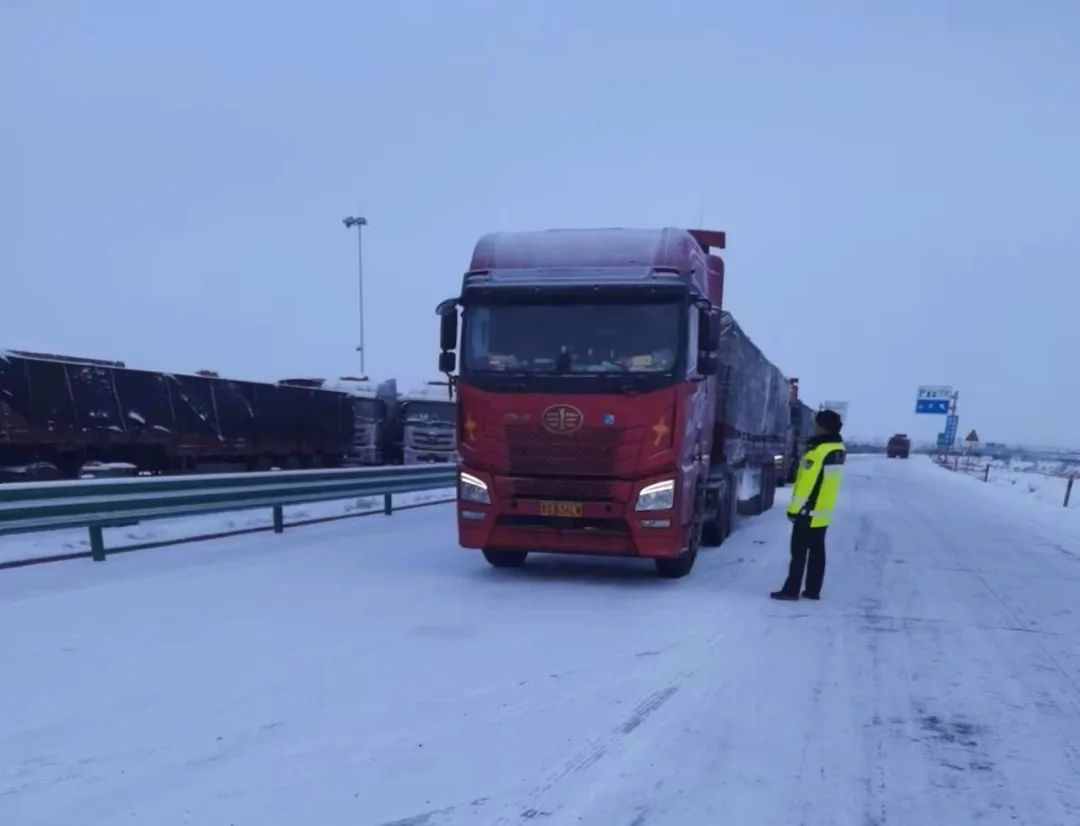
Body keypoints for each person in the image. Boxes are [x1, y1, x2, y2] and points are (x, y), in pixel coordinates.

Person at [771, 409, 846, 601]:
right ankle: (813, 590)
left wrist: (794, 509)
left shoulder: (818, 451)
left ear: (823, 427)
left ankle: (791, 590)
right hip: (823, 511)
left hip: (808, 509)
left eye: (817, 424)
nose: (815, 427)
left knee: (798, 551)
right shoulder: (838, 448)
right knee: (817, 551)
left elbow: (807, 483)